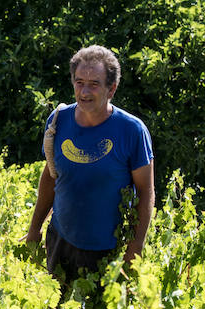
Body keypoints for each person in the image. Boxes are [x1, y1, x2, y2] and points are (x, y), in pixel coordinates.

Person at [25, 45, 154, 284]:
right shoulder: (58, 121)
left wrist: (135, 246)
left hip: (108, 251)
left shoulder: (132, 131)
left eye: (94, 84)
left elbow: (145, 192)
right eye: (79, 82)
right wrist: (35, 229)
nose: (84, 91)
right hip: (60, 241)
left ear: (111, 89)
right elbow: (51, 176)